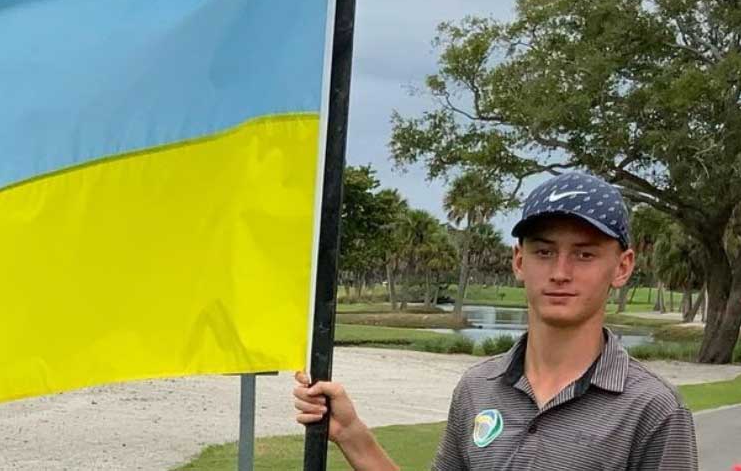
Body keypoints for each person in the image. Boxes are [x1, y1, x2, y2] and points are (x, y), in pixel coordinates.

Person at [292, 171, 698, 470]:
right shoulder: (477, 388)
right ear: (519, 261)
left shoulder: (653, 409)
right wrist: (351, 433)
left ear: (623, 267)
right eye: (543, 252)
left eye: (585, 254)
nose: (560, 271)